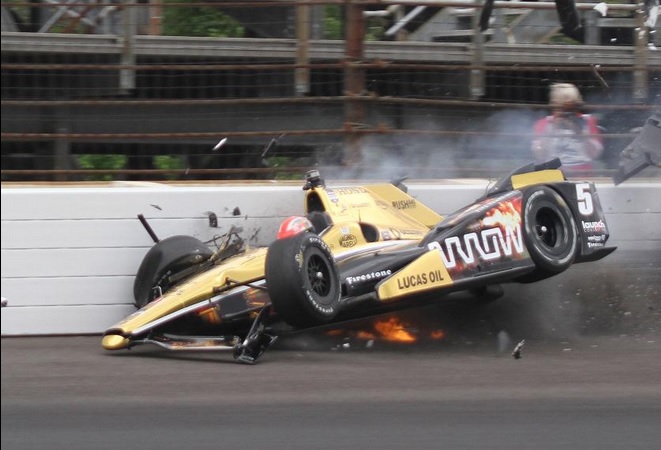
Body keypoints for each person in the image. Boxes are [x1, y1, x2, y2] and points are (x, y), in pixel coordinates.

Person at [531, 83, 603, 171]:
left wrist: (579, 132)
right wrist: (552, 129)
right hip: (552, 173)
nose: (565, 113)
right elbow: (539, 156)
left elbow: (595, 154)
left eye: (569, 108)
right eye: (561, 108)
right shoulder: (543, 123)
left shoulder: (588, 121)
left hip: (582, 173)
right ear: (554, 105)